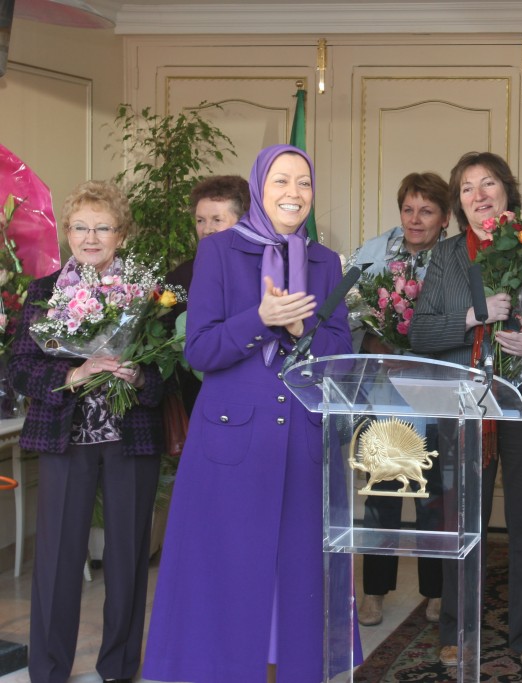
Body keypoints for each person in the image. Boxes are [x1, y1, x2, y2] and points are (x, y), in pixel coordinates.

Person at [143, 144, 358, 682]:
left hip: (303, 445)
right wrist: (260, 318)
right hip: (230, 445)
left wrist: (299, 328)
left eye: (304, 182)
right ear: (259, 189)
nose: (294, 193)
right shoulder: (218, 252)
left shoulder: (324, 261)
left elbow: (340, 357)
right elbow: (200, 351)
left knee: (300, 577)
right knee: (225, 574)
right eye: (281, 181)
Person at [408, 151, 522, 670]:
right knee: (462, 520)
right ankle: (456, 626)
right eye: (468, 188)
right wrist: (473, 315)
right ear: (459, 203)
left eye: (489, 183)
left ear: (507, 193)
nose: (479, 195)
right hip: (464, 400)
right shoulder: (447, 256)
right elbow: (420, 332)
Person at [9, 180, 165, 683]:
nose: (91, 237)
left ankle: (119, 669)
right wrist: (72, 374)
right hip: (64, 440)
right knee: (56, 562)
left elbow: (169, 373)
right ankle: (49, 671)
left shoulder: (149, 298)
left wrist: (138, 375)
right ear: (68, 233)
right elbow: (17, 369)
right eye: (81, 227)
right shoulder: (43, 293)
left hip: (130, 441)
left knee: (126, 562)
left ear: (122, 234)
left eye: (103, 227)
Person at [347, 171, 449, 626]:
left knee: (433, 497)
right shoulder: (371, 252)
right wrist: (372, 344)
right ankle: (374, 592)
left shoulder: (456, 259)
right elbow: (342, 310)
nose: (414, 219)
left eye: (426, 211)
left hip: (436, 392)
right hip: (383, 389)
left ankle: (437, 591)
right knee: (381, 494)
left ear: (445, 218)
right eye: (408, 209)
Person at [165, 174, 250, 412]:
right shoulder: (179, 277)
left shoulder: (262, 272)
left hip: (250, 396)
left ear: (243, 221)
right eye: (200, 220)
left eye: (216, 219)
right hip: (199, 401)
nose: (207, 229)